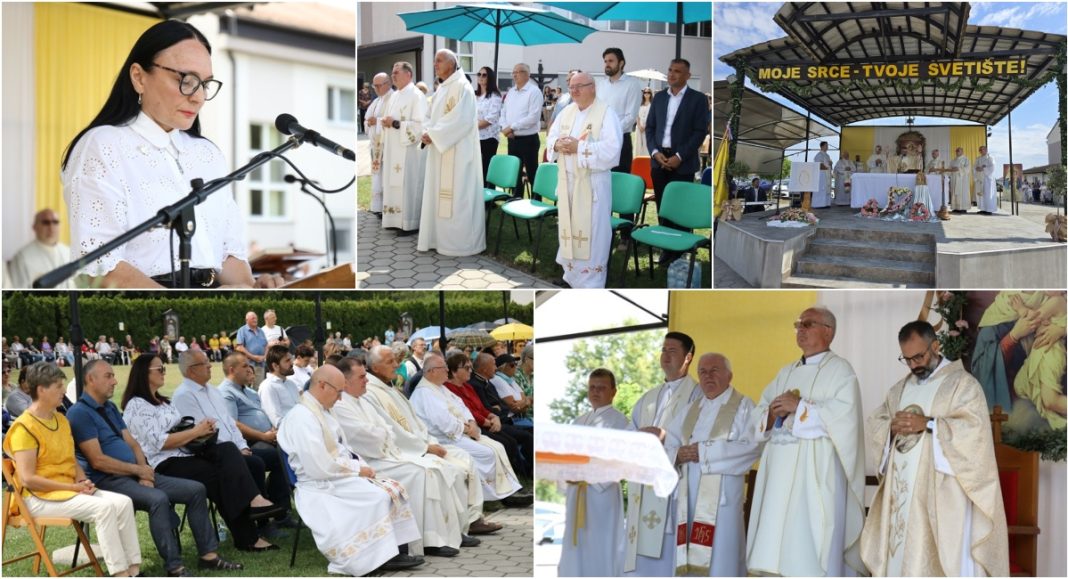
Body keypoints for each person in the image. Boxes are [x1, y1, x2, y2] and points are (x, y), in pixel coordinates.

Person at [60, 20, 280, 289]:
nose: (198, 97)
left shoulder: (208, 154)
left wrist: (252, 289)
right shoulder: (104, 145)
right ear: (139, 77)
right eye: (185, 80)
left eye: (205, 84)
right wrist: (186, 307)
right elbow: (99, 265)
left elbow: (228, 254)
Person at [860, 321, 1009, 576]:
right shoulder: (900, 389)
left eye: (919, 356)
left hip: (943, 496)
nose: (913, 365)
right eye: (906, 359)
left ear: (936, 345)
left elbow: (974, 433)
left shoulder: (962, 385)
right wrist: (890, 429)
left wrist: (928, 424)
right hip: (903, 496)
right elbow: (877, 420)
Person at [68, 360, 240, 576]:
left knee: (196, 490)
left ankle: (209, 556)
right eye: (109, 376)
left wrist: (144, 471)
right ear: (90, 379)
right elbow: (98, 461)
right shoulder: (79, 413)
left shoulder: (109, 408)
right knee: (157, 499)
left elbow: (133, 443)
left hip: (134, 473)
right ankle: (174, 567)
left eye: (113, 375)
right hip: (109, 480)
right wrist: (138, 471)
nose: (115, 381)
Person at [746, 307, 865, 576]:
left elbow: (844, 419)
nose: (800, 329)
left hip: (815, 473)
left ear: (828, 331)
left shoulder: (841, 371)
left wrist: (799, 407)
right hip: (778, 471)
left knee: (808, 544)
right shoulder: (785, 372)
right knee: (773, 539)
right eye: (798, 324)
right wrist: (771, 413)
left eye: (808, 324)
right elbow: (757, 414)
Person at [277, 365, 424, 575]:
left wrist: (360, 465)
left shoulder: (321, 411)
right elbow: (318, 464)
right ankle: (368, 560)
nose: (340, 399)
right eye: (338, 392)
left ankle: (392, 554)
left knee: (394, 488)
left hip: (336, 475)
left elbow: (342, 449)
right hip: (320, 484)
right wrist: (357, 470)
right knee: (377, 497)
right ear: (321, 385)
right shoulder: (302, 418)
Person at [3, 362, 142, 576]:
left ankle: (134, 570)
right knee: (103, 508)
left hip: (67, 490)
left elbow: (71, 459)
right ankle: (119, 573)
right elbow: (29, 479)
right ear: (41, 389)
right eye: (58, 386)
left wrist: (81, 480)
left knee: (123, 503)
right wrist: (72, 487)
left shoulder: (61, 419)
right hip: (37, 498)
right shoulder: (23, 428)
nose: (63, 390)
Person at [330, 357, 477, 557]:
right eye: (362, 376)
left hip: (388, 453)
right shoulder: (341, 406)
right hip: (373, 461)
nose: (367, 380)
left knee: (440, 468)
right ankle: (428, 540)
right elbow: (365, 437)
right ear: (346, 381)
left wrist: (382, 433)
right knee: (424, 472)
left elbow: (386, 428)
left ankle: (450, 533)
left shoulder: (362, 400)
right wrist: (383, 434)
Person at [361, 345, 503, 536]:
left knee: (464, 458)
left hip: (424, 442)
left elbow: (415, 423)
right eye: (391, 362)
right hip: (403, 451)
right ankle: (439, 532)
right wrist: (425, 446)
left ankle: (471, 519)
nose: (397, 365)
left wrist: (429, 441)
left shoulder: (390, 388)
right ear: (376, 367)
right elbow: (393, 430)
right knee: (443, 469)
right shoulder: (371, 392)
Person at [171, 350, 293, 532]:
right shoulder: (184, 395)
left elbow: (229, 424)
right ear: (191, 371)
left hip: (237, 446)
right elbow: (204, 433)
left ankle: (278, 511)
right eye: (205, 363)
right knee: (257, 462)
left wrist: (242, 446)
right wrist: (239, 448)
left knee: (277, 456)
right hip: (213, 453)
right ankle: (262, 520)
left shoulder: (211, 391)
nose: (210, 365)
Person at [665, 354, 762, 576]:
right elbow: (668, 444)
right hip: (687, 498)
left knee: (721, 559)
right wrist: (678, 455)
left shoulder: (744, 407)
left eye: (714, 370)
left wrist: (704, 451)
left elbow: (752, 446)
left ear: (729, 375)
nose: (708, 376)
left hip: (721, 502)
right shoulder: (690, 409)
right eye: (702, 372)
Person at [623, 332, 699, 575]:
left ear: (688, 357)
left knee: (669, 555)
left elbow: (699, 437)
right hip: (644, 487)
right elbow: (630, 436)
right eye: (663, 349)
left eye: (672, 351)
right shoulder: (647, 398)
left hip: (678, 486)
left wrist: (665, 439)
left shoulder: (697, 396)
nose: (665, 355)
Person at [409, 353, 528, 506]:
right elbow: (442, 421)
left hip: (460, 433)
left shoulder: (438, 388)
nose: (447, 371)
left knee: (497, 447)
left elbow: (461, 406)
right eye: (444, 368)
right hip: (444, 438)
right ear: (432, 371)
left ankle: (506, 492)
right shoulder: (425, 392)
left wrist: (471, 422)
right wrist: (466, 428)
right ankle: (490, 496)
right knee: (487, 453)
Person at [547, 71, 622, 288]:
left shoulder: (606, 114)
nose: (574, 90)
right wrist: (557, 145)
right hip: (568, 182)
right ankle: (570, 277)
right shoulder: (567, 112)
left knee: (593, 235)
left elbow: (612, 150)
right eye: (571, 87)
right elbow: (551, 137)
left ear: (593, 87)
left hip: (593, 186)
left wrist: (579, 147)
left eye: (579, 86)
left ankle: (591, 283)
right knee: (570, 230)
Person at [558, 368, 631, 577]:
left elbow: (621, 461)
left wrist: (589, 476)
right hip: (577, 493)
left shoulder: (620, 423)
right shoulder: (579, 421)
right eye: (592, 387)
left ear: (613, 391)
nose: (596, 392)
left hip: (602, 495)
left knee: (601, 544)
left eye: (601, 387)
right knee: (575, 545)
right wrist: (567, 473)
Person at [418, 49, 486, 257]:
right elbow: (429, 115)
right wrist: (427, 131)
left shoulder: (462, 87)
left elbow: (462, 120)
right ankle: (440, 239)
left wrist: (434, 134)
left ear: (451, 63)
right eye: (434, 61)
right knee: (440, 195)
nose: (435, 64)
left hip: (459, 153)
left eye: (439, 61)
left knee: (459, 196)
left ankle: (461, 244)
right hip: (441, 151)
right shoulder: (442, 88)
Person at [645, 59, 709, 243]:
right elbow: (650, 128)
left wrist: (679, 156)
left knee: (681, 210)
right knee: (663, 207)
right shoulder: (659, 97)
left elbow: (700, 131)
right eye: (670, 70)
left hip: (683, 162)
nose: (672, 74)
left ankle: (681, 248)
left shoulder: (697, 99)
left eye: (678, 71)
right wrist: (655, 152)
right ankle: (665, 244)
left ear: (687, 76)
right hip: (658, 160)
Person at [444, 353, 533, 479]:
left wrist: (493, 416)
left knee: (512, 440)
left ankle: (520, 473)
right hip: (476, 427)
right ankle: (509, 478)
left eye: (470, 367)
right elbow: (467, 411)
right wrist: (488, 420)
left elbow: (481, 407)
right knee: (507, 442)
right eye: (467, 368)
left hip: (490, 421)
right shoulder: (450, 388)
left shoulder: (467, 386)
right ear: (454, 372)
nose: (471, 371)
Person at [379, 61, 426, 234]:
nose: (393, 75)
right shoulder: (395, 95)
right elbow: (390, 118)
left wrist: (396, 123)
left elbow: (420, 126)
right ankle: (394, 219)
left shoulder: (416, 95)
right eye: (392, 72)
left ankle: (410, 223)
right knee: (393, 184)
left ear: (409, 74)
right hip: (394, 148)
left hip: (408, 151)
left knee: (408, 184)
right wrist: (385, 122)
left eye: (397, 72)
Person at [500, 62, 544, 199]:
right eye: (513, 72)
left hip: (528, 139)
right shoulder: (511, 92)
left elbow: (533, 117)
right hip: (512, 139)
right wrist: (505, 127)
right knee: (515, 171)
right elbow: (503, 112)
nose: (514, 74)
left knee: (532, 171)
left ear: (527, 74)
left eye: (518, 72)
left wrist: (512, 127)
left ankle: (537, 200)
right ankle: (516, 196)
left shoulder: (534, 92)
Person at [597, 48, 643, 174]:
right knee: (600, 180)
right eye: (605, 61)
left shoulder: (632, 84)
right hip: (600, 140)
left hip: (620, 140)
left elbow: (630, 117)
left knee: (618, 182)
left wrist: (610, 132)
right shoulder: (601, 85)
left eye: (611, 61)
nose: (607, 64)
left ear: (621, 63)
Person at [6, 209, 72, 289]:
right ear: (34, 227)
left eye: (55, 222)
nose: (51, 227)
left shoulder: (68, 252)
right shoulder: (22, 257)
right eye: (45, 222)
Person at [365, 72, 393, 218]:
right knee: (377, 176)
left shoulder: (394, 98)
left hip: (388, 145)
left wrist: (377, 122)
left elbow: (394, 120)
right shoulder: (377, 101)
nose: (375, 88)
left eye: (378, 85)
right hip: (376, 146)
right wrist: (369, 122)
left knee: (386, 176)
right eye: (373, 85)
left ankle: (386, 207)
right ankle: (377, 207)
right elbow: (367, 117)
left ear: (388, 84)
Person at [257, 344, 301, 427]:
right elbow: (276, 421)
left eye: (291, 359)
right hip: (289, 433)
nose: (292, 363)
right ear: (275, 366)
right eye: (287, 360)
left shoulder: (291, 384)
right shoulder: (268, 387)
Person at [474, 66, 503, 182]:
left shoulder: (495, 96)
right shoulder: (474, 95)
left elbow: (490, 119)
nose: (481, 77)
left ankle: (488, 199)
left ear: (490, 77)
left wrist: (471, 127)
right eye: (479, 74)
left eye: (484, 75)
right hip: (475, 137)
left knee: (486, 171)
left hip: (489, 138)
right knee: (476, 170)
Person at [235, 310, 267, 385]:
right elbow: (239, 347)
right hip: (248, 365)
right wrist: (253, 357)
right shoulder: (242, 330)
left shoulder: (261, 331)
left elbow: (266, 345)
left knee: (259, 388)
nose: (255, 320)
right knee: (246, 387)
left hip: (260, 364)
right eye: (253, 318)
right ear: (247, 320)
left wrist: (264, 356)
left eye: (256, 318)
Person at [975, 145, 997, 215]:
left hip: (987, 179)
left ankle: (989, 209)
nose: (981, 151)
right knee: (981, 194)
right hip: (980, 178)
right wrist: (977, 169)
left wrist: (984, 169)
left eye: (982, 149)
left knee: (987, 193)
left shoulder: (990, 158)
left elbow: (992, 167)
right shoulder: (978, 158)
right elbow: (974, 167)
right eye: (980, 150)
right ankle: (982, 209)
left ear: (986, 150)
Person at [949, 146, 972, 213]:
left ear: (962, 151)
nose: (957, 152)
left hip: (962, 179)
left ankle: (963, 208)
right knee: (954, 192)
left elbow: (968, 168)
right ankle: (955, 207)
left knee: (962, 193)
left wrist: (958, 169)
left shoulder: (966, 159)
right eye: (956, 151)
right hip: (954, 178)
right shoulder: (953, 160)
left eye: (958, 150)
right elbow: (949, 168)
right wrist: (950, 170)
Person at [812, 141, 833, 208]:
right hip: (821, 175)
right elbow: (818, 164)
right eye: (826, 145)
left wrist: (830, 164)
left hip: (827, 174)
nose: (827, 147)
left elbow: (829, 164)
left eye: (827, 145)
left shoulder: (827, 155)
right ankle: (819, 204)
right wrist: (826, 165)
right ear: (822, 146)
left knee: (826, 189)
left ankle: (826, 203)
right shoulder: (819, 155)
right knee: (821, 189)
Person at [635, 88, 652, 157]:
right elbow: (637, 116)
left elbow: (652, 117)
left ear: (650, 94)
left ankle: (647, 160)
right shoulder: (640, 104)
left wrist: (646, 126)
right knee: (639, 145)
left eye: (648, 92)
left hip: (648, 127)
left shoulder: (652, 104)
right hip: (639, 127)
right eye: (645, 92)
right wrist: (639, 126)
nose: (646, 94)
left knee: (646, 144)